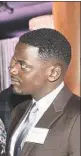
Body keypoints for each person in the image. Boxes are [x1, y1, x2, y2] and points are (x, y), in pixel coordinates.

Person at [6, 28, 80, 156]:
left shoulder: (76, 114)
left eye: (23, 65)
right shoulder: (18, 111)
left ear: (53, 73)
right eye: (14, 63)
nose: (13, 70)